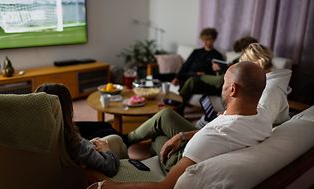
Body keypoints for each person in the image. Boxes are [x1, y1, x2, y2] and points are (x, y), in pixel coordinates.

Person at [89, 61, 272, 189]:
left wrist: (113, 186)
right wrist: (182, 136)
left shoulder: (215, 134)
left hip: (184, 160)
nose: (221, 87)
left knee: (159, 136)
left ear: (233, 89)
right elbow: (220, 131)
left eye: (224, 82)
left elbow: (165, 187)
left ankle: (130, 145)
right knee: (166, 115)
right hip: (202, 145)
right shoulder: (263, 114)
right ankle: (129, 140)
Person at [35, 83, 128, 177]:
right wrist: (106, 150)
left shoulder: (30, 135)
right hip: (86, 178)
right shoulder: (72, 142)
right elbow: (110, 167)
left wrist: (88, 144)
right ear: (66, 108)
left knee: (106, 128)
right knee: (118, 142)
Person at [171, 28, 225, 115]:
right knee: (185, 79)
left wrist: (217, 70)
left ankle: (179, 108)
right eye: (204, 40)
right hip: (189, 76)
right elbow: (185, 66)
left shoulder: (217, 55)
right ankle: (178, 108)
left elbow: (218, 78)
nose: (206, 42)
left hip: (203, 82)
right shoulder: (196, 52)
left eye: (209, 39)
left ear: (214, 39)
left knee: (192, 81)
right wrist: (177, 77)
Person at [239, 43, 291, 125]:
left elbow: (260, 125)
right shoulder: (261, 81)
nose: (244, 70)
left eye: (246, 66)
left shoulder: (270, 90)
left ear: (258, 63)